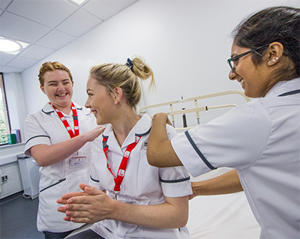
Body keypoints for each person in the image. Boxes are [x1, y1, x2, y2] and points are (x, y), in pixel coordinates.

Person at [146, 6, 300, 239]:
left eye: (236, 59)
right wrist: (196, 188)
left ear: (272, 54)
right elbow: (261, 172)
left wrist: (158, 119)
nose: (232, 73)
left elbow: (158, 154)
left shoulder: (260, 118)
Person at [57, 58, 192, 239]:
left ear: (116, 94)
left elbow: (178, 216)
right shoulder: (99, 141)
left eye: (90, 94)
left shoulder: (162, 137)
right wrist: (86, 203)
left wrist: (112, 209)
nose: (87, 104)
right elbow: (99, 192)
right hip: (110, 230)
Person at [24, 62, 105, 239]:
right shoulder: (35, 120)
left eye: (65, 82)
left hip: (92, 195)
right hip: (58, 204)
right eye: (53, 84)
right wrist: (85, 137)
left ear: (72, 84)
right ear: (42, 88)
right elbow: (42, 157)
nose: (61, 88)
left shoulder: (89, 112)